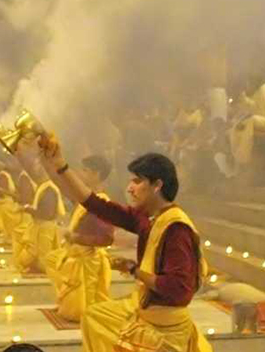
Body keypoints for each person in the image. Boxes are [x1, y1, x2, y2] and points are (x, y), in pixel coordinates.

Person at [37, 135, 211, 352]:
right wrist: (59, 165)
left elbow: (178, 289)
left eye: (137, 181)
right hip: (145, 307)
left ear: (157, 185)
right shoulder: (147, 218)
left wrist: (133, 269)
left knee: (96, 320)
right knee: (93, 317)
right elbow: (95, 204)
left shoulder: (176, 228)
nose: (130, 188)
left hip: (165, 324)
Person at [43, 155, 115, 322]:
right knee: (52, 260)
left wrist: (75, 237)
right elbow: (64, 185)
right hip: (76, 254)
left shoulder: (101, 201)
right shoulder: (88, 197)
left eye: (85, 171)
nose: (81, 174)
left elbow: (106, 239)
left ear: (97, 174)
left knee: (82, 313)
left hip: (88, 259)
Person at [228, 76, 265, 167]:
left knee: (251, 120)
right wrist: (243, 99)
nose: (247, 87)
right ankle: (237, 154)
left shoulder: (264, 90)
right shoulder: (259, 91)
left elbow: (264, 113)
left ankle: (244, 155)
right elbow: (254, 107)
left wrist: (247, 118)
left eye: (248, 84)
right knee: (238, 124)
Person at [0, 170, 23, 239]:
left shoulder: (17, 177)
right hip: (3, 205)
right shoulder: (2, 176)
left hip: (8, 204)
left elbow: (19, 197)